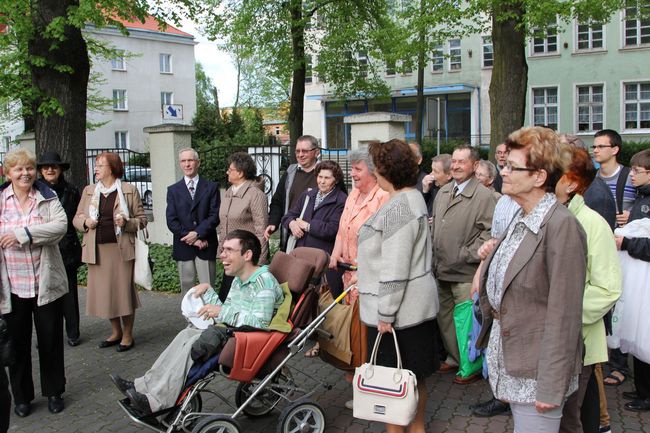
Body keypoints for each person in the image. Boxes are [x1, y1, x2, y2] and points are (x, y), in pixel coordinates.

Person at [476, 126, 587, 433]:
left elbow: (564, 314)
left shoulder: (561, 226)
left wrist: (551, 385)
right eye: (504, 165)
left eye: (512, 167)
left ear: (539, 177)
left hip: (538, 372)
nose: (504, 172)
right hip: (514, 360)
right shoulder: (521, 215)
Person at [110, 230, 284, 414]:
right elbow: (227, 313)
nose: (222, 255)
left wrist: (222, 311)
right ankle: (142, 386)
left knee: (191, 344)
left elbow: (260, 323)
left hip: (246, 342)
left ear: (247, 255)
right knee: (185, 334)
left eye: (229, 250)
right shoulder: (239, 281)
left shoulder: (264, 283)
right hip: (232, 333)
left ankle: (156, 401)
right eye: (222, 249)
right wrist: (209, 292)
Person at [357, 139, 439, 433]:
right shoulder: (411, 198)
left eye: (376, 167)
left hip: (399, 316)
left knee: (394, 384)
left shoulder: (398, 207)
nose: (373, 173)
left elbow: (395, 267)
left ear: (386, 171)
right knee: (413, 379)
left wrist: (385, 313)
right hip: (413, 311)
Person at [556, 146, 622, 433]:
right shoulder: (544, 217)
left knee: (573, 419)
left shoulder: (592, 224)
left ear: (571, 182)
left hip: (577, 341)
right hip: (548, 343)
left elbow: (607, 289)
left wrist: (558, 316)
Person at [0, 148, 68, 416]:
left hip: (45, 284)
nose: (25, 173)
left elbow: (60, 227)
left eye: (29, 168)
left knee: (50, 340)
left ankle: (54, 392)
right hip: (13, 286)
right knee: (17, 344)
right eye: (18, 169)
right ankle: (22, 397)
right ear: (8, 174)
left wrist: (23, 234)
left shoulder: (47, 196)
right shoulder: (1, 200)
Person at [431, 145, 495, 383]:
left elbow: (490, 234)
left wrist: (464, 253)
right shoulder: (445, 191)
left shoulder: (484, 196)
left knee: (468, 322)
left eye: (462, 162)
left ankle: (472, 364)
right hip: (441, 270)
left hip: (465, 273)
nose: (456, 166)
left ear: (475, 165)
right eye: (454, 161)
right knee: (445, 320)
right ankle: (455, 359)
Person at [74, 152, 147, 352]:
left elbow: (142, 220)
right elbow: (77, 218)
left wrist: (126, 222)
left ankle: (128, 334)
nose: (95, 169)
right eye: (95, 165)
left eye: (99, 165)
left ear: (112, 168)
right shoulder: (89, 191)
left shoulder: (128, 190)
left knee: (123, 293)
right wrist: (86, 222)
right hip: (96, 250)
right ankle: (115, 332)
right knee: (106, 294)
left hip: (121, 250)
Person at [592, 129, 635, 387]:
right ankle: (603, 359)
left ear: (615, 149)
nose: (595, 150)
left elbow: (645, 205)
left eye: (600, 146)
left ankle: (619, 365)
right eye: (594, 146)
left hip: (623, 251)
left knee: (620, 305)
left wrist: (633, 217)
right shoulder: (592, 178)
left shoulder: (631, 176)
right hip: (599, 248)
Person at [615, 149, 650, 412]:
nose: (632, 176)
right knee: (639, 337)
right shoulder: (642, 197)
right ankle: (642, 390)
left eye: (637, 171)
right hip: (638, 278)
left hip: (645, 280)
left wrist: (626, 242)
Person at [37, 151, 82, 347]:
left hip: (68, 248)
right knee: (44, 295)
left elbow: (79, 216)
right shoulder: (34, 191)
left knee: (69, 294)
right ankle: (45, 335)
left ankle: (73, 333)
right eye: (46, 167)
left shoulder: (72, 191)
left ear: (60, 169)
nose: (49, 170)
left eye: (53, 167)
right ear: (41, 170)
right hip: (43, 249)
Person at [282, 160, 347, 296]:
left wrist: (307, 226)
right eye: (320, 177)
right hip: (302, 259)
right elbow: (289, 216)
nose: (322, 181)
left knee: (324, 302)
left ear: (336, 180)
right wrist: (292, 224)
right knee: (300, 301)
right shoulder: (308, 195)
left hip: (324, 262)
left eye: (327, 178)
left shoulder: (341, 200)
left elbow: (332, 229)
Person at [166, 148, 220, 293]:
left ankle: (210, 316)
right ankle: (189, 317)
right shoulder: (173, 190)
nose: (187, 164)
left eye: (190, 160)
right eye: (183, 161)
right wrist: (192, 239)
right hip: (184, 247)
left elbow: (214, 216)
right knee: (187, 290)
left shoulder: (211, 187)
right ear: (180, 164)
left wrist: (198, 233)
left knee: (208, 289)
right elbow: (172, 221)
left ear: (198, 163)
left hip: (206, 245)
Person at [217, 152, 269, 302]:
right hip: (231, 258)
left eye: (230, 169)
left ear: (240, 173)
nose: (227, 172)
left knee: (239, 301)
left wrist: (260, 262)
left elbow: (261, 230)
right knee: (227, 299)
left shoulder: (255, 195)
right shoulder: (228, 193)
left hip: (246, 261)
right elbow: (223, 226)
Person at [265, 135, 320, 251]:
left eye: (305, 151)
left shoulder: (327, 173)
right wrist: (273, 222)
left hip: (317, 239)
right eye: (297, 151)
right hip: (291, 237)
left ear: (316, 152)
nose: (300, 155)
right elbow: (278, 201)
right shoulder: (290, 173)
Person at [409, 142, 435, 215]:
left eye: (410, 158)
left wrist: (425, 192)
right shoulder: (398, 179)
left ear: (419, 160)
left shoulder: (427, 181)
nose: (405, 162)